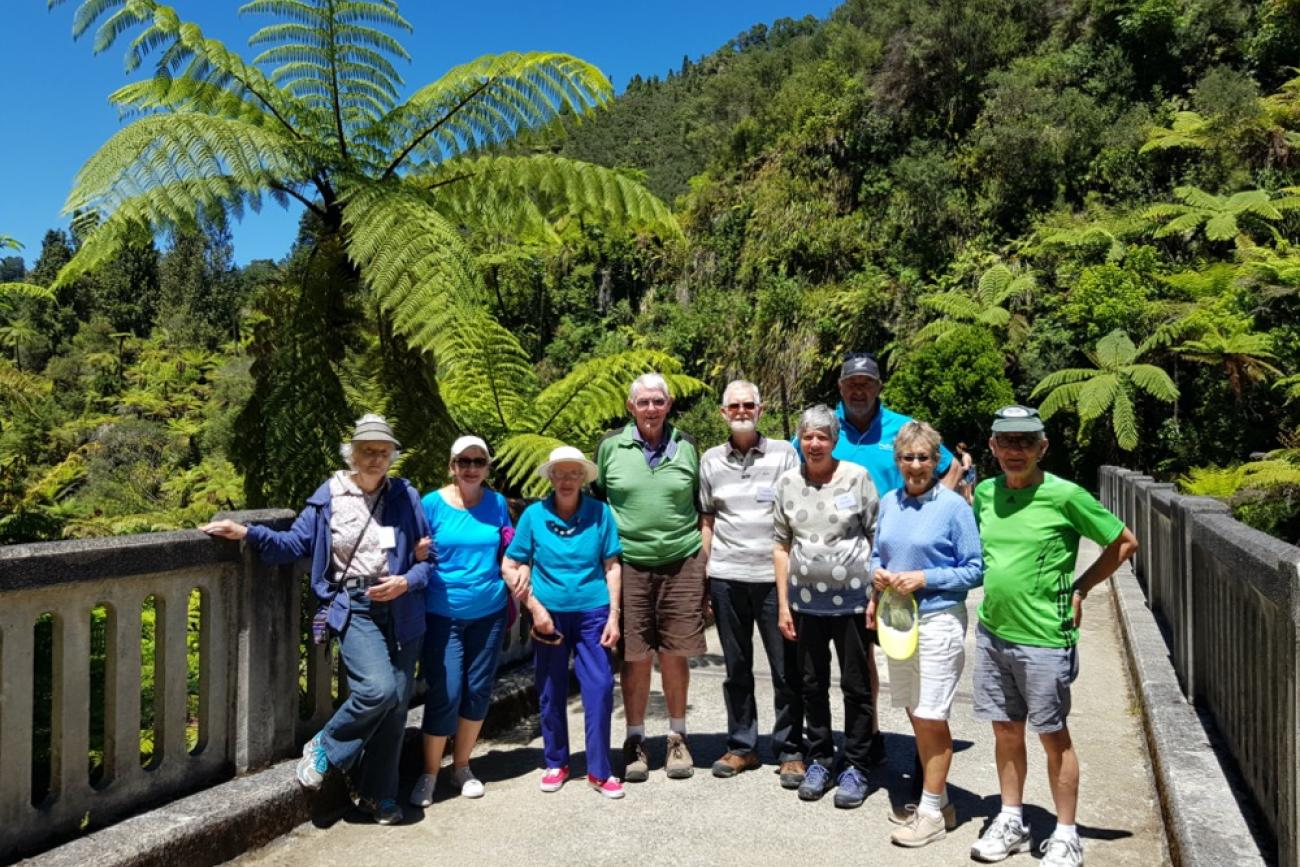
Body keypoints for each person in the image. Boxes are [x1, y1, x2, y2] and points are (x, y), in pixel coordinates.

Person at [200, 414, 430, 826]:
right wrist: (247, 533)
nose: (376, 459)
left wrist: (406, 581)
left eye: (383, 452)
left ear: (392, 456)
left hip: (401, 608)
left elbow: (429, 560)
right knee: (377, 691)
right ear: (352, 454)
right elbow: (294, 543)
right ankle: (324, 746)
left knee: (395, 707)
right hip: (355, 605)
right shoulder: (330, 496)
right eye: (367, 451)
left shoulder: (405, 497)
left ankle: (378, 794)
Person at [968, 406, 1138, 867]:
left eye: (1026, 442)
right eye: (1007, 441)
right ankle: (1010, 819)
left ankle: (1066, 834)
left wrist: (1081, 587)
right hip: (992, 631)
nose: (1016, 451)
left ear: (1042, 447)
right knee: (1004, 730)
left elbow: (1124, 542)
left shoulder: (1064, 495)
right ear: (993, 447)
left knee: (1051, 734)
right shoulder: (985, 493)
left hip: (1044, 636)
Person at [866, 420, 983, 847]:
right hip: (898, 620)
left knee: (933, 714)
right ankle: (945, 803)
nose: (915, 465)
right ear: (897, 462)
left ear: (937, 461)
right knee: (915, 711)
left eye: (923, 457)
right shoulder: (888, 503)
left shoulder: (954, 507)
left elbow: (974, 569)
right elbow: (876, 553)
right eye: (907, 457)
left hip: (938, 619)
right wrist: (875, 574)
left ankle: (930, 812)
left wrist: (925, 577)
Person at [594, 372, 705, 782]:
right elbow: (598, 503)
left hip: (681, 561)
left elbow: (700, 505)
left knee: (675, 652)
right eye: (643, 402)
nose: (652, 409)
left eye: (658, 401)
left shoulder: (688, 444)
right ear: (630, 407)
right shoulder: (609, 447)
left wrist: (704, 563)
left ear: (669, 403)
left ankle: (677, 737)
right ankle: (635, 739)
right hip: (629, 563)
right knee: (635, 655)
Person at [698, 380, 805, 787]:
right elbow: (707, 519)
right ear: (723, 413)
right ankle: (742, 746)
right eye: (733, 406)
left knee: (785, 668)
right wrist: (705, 576)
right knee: (736, 667)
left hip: (774, 579)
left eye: (748, 405)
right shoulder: (710, 460)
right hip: (727, 577)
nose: (741, 411)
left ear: (760, 410)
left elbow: (797, 512)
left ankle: (791, 749)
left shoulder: (784, 453)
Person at [502, 445, 626, 799]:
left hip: (593, 613)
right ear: (551, 477)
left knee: (600, 688)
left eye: (575, 473)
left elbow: (612, 565)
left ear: (583, 479)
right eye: (561, 473)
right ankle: (556, 761)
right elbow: (510, 565)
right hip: (548, 616)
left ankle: (600, 770)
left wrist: (614, 615)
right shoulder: (533, 516)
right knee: (550, 688)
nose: (567, 480)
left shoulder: (600, 513)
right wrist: (534, 608)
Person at [773, 404, 880, 809]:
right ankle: (820, 757)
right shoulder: (787, 482)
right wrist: (784, 604)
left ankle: (855, 764)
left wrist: (876, 597)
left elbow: (876, 537)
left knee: (855, 685)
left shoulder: (856, 477)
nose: (815, 443)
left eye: (823, 436)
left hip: (853, 604)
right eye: (808, 436)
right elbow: (781, 545)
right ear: (799, 440)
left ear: (835, 440)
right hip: (805, 606)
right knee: (812, 685)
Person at [409, 435, 520, 807]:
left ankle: (461, 766)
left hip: (488, 613)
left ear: (487, 468)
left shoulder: (497, 503)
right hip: (443, 614)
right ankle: (429, 773)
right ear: (452, 466)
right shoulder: (431, 505)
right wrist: (416, 552)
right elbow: (411, 551)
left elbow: (508, 548)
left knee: (477, 690)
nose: (471, 468)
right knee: (446, 692)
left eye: (479, 462)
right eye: (464, 462)